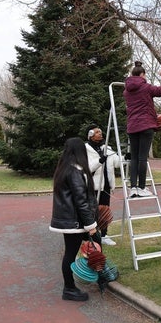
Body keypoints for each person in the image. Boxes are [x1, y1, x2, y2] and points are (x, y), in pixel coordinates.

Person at [49, 137, 100, 302]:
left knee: (90, 245)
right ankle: (69, 288)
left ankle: (96, 273)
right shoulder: (75, 171)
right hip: (75, 221)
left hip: (70, 220)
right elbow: (81, 201)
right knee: (70, 254)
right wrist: (90, 225)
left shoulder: (64, 169)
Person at [123, 61, 161, 197]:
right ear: (143, 75)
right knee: (142, 158)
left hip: (132, 126)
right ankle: (141, 188)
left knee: (134, 157)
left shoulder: (126, 91)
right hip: (146, 126)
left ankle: (133, 187)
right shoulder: (146, 88)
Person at [85, 125, 121, 246]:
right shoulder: (85, 149)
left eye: (101, 132)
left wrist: (124, 158)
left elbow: (116, 162)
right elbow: (87, 168)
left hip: (105, 186)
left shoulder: (106, 148)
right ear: (90, 135)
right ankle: (90, 236)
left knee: (104, 211)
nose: (100, 134)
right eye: (97, 132)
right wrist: (100, 161)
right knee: (92, 211)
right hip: (92, 187)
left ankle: (104, 235)